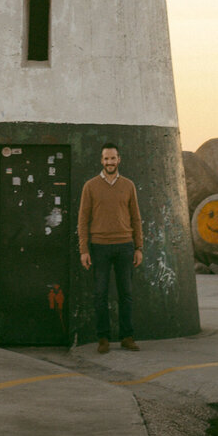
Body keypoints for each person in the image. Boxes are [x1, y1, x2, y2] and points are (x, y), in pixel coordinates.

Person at [78, 143, 143, 353]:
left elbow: (136, 218)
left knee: (126, 294)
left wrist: (138, 247)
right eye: (106, 159)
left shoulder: (128, 185)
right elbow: (83, 220)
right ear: (101, 161)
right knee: (100, 294)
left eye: (113, 158)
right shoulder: (90, 186)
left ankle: (127, 337)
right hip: (99, 247)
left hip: (125, 246)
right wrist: (84, 250)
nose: (109, 162)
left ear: (119, 159)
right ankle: (103, 338)